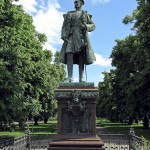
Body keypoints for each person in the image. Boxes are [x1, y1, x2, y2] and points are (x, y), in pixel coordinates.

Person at [59, 0, 96, 82]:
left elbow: (93, 25)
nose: (75, 3)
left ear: (81, 4)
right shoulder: (69, 14)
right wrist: (64, 35)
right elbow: (64, 26)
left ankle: (81, 78)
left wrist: (86, 26)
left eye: (77, 2)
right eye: (75, 2)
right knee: (69, 53)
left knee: (81, 56)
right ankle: (70, 77)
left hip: (81, 37)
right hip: (71, 36)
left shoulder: (85, 14)